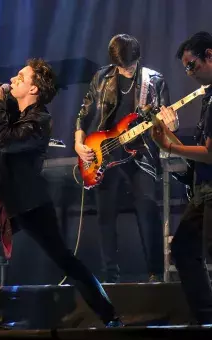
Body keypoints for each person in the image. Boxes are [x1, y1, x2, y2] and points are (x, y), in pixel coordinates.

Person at [0, 5, 122, 327]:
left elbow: (7, 140)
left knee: (63, 258)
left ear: (34, 89)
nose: (13, 79)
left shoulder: (40, 120)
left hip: (31, 204)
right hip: (7, 202)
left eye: (21, 77)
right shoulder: (11, 105)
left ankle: (110, 316)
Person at [75, 34, 179, 283]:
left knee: (147, 210)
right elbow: (84, 114)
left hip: (140, 154)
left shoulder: (154, 81)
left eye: (130, 66)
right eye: (122, 67)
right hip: (105, 154)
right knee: (105, 215)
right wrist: (78, 144)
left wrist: (171, 126)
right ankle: (110, 277)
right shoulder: (101, 78)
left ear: (138, 58)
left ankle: (155, 273)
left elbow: (164, 124)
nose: (127, 70)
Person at [151, 31, 212, 325]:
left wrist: (169, 145)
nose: (189, 73)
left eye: (192, 65)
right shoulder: (208, 97)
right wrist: (168, 133)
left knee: (190, 249)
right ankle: (205, 318)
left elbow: (210, 154)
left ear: (209, 56)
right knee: (186, 248)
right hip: (204, 188)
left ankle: (206, 318)